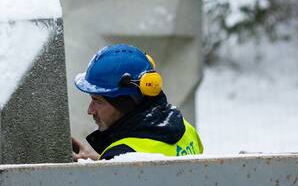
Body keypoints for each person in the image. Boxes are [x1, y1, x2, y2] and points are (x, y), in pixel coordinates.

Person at [70, 43, 202, 161]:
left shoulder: (122, 159)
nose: (90, 110)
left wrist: (109, 162)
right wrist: (102, 162)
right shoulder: (185, 129)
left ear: (124, 104)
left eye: (97, 101)